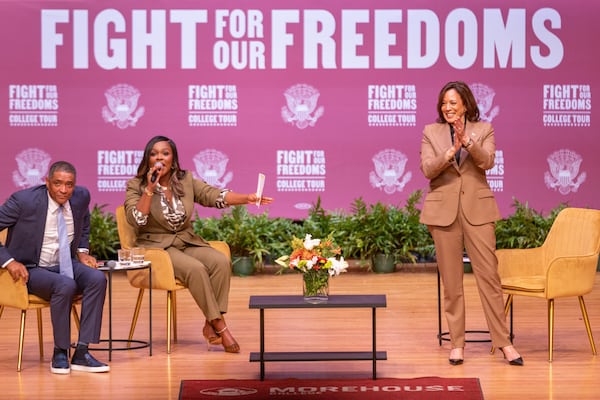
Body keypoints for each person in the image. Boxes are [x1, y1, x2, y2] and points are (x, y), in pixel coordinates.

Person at [124, 135, 273, 353]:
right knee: (195, 269)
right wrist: (149, 188)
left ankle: (210, 322)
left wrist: (247, 198)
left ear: (173, 159)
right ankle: (221, 328)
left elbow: (212, 195)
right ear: (148, 160)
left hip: (185, 240)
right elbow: (136, 219)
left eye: (165, 153)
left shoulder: (185, 180)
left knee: (220, 261)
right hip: (156, 249)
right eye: (154, 154)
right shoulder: (136, 185)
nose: (159, 158)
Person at [419, 81, 523, 366]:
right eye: (444, 103)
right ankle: (457, 344)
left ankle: (504, 343)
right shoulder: (431, 132)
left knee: (489, 278)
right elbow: (427, 169)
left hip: (478, 210)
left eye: (453, 102)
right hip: (443, 214)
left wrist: (467, 141)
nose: (448, 107)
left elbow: (488, 161)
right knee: (452, 283)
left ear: (465, 103)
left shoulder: (484, 129)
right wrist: (450, 152)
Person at [0, 161, 109, 374]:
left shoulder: (81, 197)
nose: (63, 190)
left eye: (69, 184)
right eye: (58, 183)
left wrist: (83, 251)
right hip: (32, 268)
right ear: (47, 182)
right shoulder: (24, 201)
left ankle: (82, 352)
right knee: (65, 285)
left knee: (97, 279)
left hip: (66, 263)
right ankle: (60, 350)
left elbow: (84, 222)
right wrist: (9, 262)